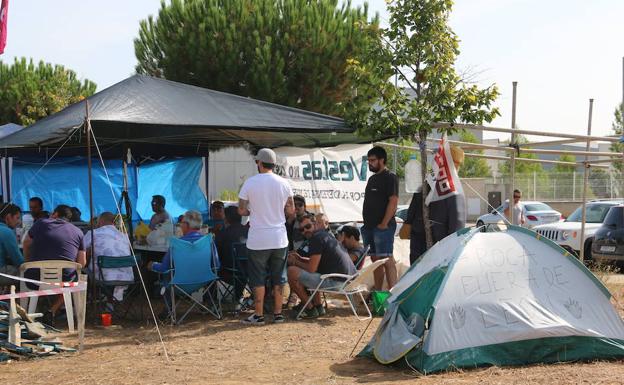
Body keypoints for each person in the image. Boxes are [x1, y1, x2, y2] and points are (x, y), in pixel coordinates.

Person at [238, 148, 294, 325]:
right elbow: (291, 210)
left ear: (259, 163)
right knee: (279, 276)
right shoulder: (284, 183)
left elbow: (241, 210)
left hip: (258, 238)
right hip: (279, 237)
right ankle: (278, 314)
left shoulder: (250, 182)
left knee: (258, 277)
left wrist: (253, 210)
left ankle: (259, 314)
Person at [22, 204, 86, 322]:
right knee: (71, 283)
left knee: (32, 280)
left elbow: (26, 243)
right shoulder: (78, 232)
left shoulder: (41, 223)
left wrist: (27, 262)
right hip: (65, 279)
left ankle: (33, 311)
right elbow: (82, 263)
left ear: (55, 214)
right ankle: (52, 310)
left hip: (35, 278)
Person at [287, 214, 356, 318]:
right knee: (314, 272)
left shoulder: (316, 238)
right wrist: (300, 259)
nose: (305, 231)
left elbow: (311, 268)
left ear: (315, 224)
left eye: (308, 227)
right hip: (349, 281)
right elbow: (315, 262)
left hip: (338, 283)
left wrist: (295, 262)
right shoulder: (326, 235)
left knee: (291, 271)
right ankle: (319, 306)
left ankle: (310, 309)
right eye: (302, 229)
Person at [406, 145, 466, 263]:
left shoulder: (425, 185)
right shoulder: (453, 191)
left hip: (422, 246)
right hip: (439, 248)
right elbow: (457, 228)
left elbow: (410, 215)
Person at [361, 146, 399, 290]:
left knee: (387, 260)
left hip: (383, 228)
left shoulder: (390, 177)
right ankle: (378, 294)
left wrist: (384, 223)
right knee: (375, 260)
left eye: (373, 160)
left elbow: (393, 201)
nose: (370, 163)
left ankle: (393, 295)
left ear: (382, 160)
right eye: (368, 161)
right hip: (369, 227)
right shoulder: (372, 179)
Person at [83, 212, 133, 299]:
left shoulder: (93, 233)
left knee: (82, 269)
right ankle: (110, 301)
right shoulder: (124, 236)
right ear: (113, 222)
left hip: (103, 277)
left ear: (100, 221)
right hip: (127, 277)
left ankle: (91, 299)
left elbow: (82, 250)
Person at [216, 206, 249, 301]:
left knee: (211, 266)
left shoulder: (222, 234)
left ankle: (210, 300)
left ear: (226, 219)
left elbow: (216, 255)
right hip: (250, 271)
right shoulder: (249, 232)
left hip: (228, 272)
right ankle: (238, 296)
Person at [0, 203, 24, 286]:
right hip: (1, 273)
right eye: (17, 218)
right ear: (8, 217)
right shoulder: (7, 232)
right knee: (30, 273)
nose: (19, 222)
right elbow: (19, 261)